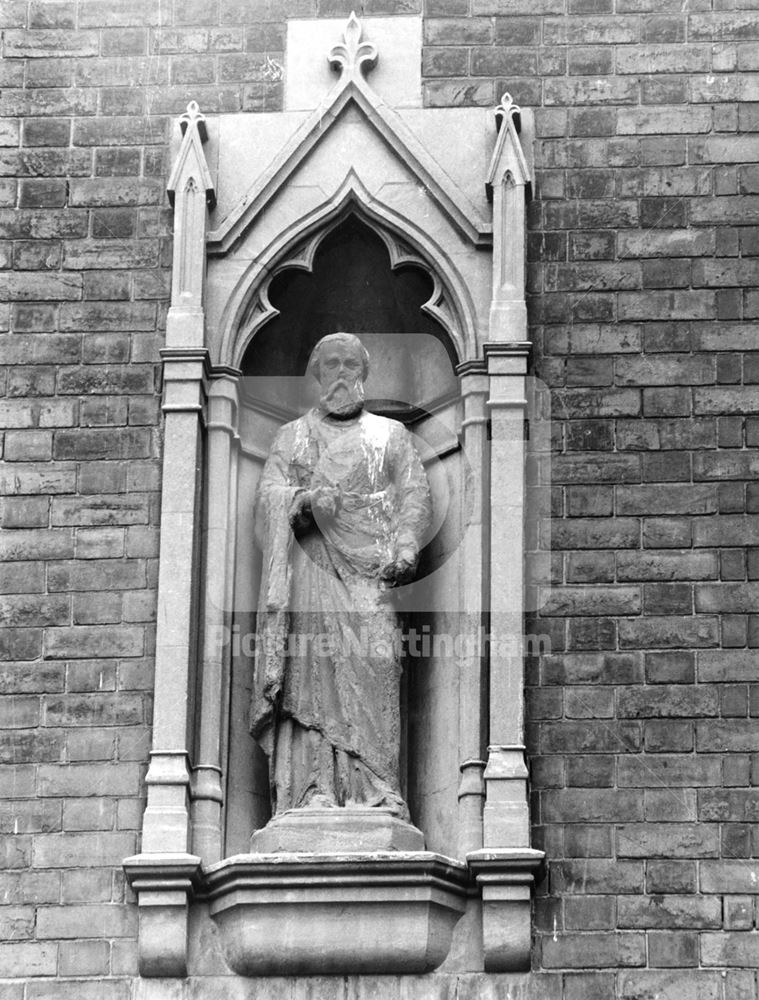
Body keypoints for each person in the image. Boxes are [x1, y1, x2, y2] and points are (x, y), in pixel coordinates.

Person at [250, 333, 431, 820]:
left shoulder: (390, 436)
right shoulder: (292, 436)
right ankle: (311, 790)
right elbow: (264, 500)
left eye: (351, 363)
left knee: (376, 661)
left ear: (364, 374)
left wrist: (407, 544)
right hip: (311, 575)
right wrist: (304, 501)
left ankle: (378, 788)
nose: (341, 373)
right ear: (316, 373)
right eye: (331, 363)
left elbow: (415, 495)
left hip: (370, 576)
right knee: (309, 673)